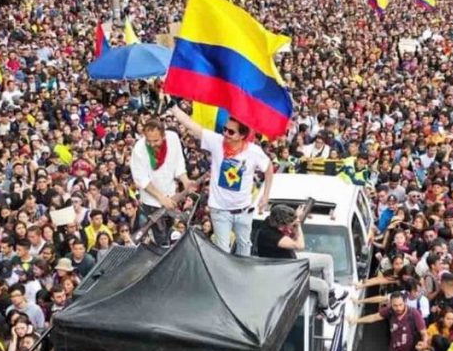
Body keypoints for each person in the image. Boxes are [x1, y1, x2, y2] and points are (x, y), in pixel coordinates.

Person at [168, 106, 273, 256]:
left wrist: (265, 196)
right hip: (220, 211)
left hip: (243, 210)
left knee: (244, 248)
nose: (225, 134)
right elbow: (191, 125)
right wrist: (173, 108)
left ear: (242, 135)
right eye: (225, 129)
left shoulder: (253, 152)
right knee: (222, 251)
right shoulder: (216, 142)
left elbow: (268, 169)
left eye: (231, 132)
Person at [254, 204, 346, 321]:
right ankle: (324, 308)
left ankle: (331, 292)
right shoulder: (271, 236)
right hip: (285, 272)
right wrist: (298, 225)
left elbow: (290, 233)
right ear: (280, 224)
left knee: (327, 260)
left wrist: (295, 218)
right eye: (288, 224)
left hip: (291, 258)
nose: (290, 226)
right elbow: (300, 245)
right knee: (322, 286)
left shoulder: (271, 220)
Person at [129, 119, 193, 246]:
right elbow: (141, 179)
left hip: (172, 196)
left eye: (156, 140)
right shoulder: (139, 149)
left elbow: (179, 164)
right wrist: (161, 198)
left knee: (170, 232)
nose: (152, 144)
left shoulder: (173, 139)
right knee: (160, 238)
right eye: (149, 140)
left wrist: (185, 181)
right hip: (152, 201)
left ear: (163, 135)